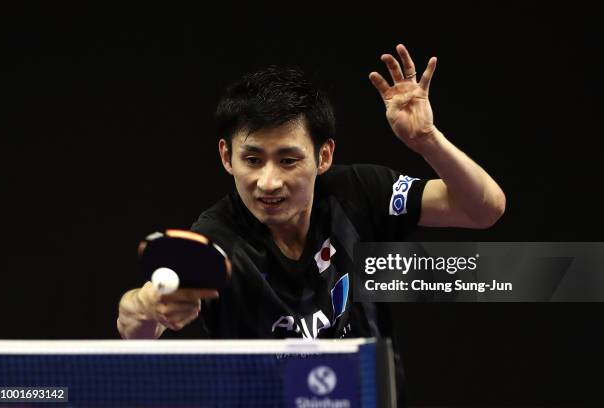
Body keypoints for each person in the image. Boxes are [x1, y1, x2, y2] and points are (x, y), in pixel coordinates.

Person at [117, 42, 505, 400]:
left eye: (288, 160)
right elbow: (132, 323)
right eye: (252, 160)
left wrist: (427, 140)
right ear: (226, 157)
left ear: (323, 157)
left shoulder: (356, 192)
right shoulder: (216, 240)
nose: (268, 182)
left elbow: (483, 209)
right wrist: (148, 306)